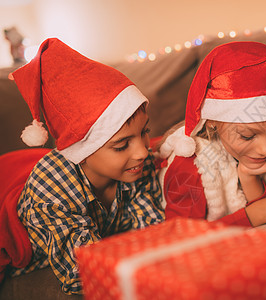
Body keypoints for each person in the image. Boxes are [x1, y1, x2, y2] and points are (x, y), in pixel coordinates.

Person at [6, 38, 164, 295]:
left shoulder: (138, 167)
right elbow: (83, 272)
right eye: (121, 145)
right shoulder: (53, 187)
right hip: (35, 266)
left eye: (145, 132)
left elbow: (157, 234)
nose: (142, 152)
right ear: (82, 151)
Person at [158, 41, 266, 227]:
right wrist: (256, 214)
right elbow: (179, 236)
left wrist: (249, 177)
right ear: (212, 122)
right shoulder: (188, 169)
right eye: (247, 136)